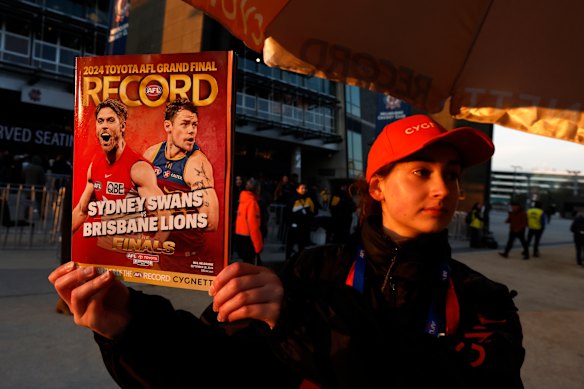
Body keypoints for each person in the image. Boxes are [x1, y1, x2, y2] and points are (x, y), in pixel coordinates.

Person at [48, 114, 525, 388]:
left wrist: (302, 322)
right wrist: (129, 325)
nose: (444, 189)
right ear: (377, 187)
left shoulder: (484, 300)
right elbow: (216, 375)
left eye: (454, 173)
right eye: (423, 171)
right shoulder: (308, 272)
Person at [71, 98, 168, 244]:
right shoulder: (95, 166)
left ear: (122, 126)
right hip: (104, 256)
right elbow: (81, 211)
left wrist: (153, 250)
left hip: (129, 258)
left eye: (110, 120)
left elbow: (164, 215)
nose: (104, 126)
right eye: (100, 121)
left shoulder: (138, 168)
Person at [143, 98, 219, 272]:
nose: (191, 130)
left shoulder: (196, 163)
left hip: (187, 260)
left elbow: (211, 221)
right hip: (156, 255)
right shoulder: (152, 154)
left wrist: (168, 219)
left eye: (194, 125)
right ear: (168, 126)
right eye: (185, 124)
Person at [234, 178, 263, 265]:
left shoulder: (243, 200)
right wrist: (258, 247)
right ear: (257, 189)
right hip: (249, 241)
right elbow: (253, 226)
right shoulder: (252, 203)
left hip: (240, 237)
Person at [285, 182, 315, 260]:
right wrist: (290, 224)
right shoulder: (292, 200)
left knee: (302, 246)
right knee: (290, 245)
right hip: (294, 227)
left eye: (305, 188)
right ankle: (288, 260)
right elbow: (288, 213)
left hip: (304, 227)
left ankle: (300, 260)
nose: (304, 190)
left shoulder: (309, 199)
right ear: (297, 189)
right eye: (302, 188)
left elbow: (312, 212)